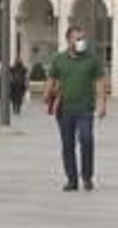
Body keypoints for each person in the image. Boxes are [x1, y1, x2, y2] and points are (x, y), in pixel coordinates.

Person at [44, 25, 106, 192]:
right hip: (64, 109)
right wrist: (46, 95)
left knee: (86, 139)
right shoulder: (59, 59)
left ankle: (87, 177)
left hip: (85, 108)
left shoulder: (92, 59)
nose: (81, 42)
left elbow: (100, 81)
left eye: (83, 39)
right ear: (69, 40)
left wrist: (102, 104)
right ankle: (71, 179)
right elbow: (51, 78)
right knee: (67, 144)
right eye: (78, 39)